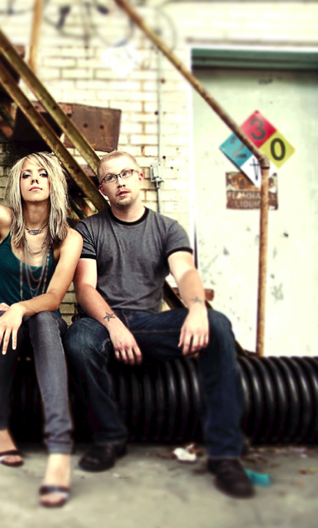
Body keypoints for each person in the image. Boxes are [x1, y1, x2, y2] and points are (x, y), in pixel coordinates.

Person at [63, 151, 254, 498]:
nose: (120, 182)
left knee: (218, 324)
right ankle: (109, 438)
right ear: (102, 188)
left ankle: (224, 454)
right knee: (78, 339)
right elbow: (86, 287)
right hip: (101, 322)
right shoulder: (89, 229)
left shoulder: (167, 228)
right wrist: (113, 325)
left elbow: (186, 272)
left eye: (126, 173)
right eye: (110, 178)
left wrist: (197, 308)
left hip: (149, 323)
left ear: (140, 178)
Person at [0, 152, 83, 508]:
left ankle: (59, 450)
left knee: (43, 321)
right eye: (26, 175)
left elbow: (54, 298)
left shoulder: (69, 238)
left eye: (43, 174)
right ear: (18, 183)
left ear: (54, 182)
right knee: (2, 327)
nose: (35, 180)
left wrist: (20, 309)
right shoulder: (0, 218)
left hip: (42, 319)